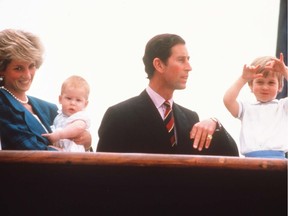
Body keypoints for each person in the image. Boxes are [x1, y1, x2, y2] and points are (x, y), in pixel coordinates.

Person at [97, 33, 239, 156]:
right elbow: (103, 175)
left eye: (188, 60)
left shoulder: (191, 118)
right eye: (181, 60)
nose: (189, 67)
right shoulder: (119, 115)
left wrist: (215, 123)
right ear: (159, 65)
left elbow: (231, 156)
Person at [0, 29, 91, 150]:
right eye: (18, 68)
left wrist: (86, 142)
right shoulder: (3, 103)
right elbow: (27, 148)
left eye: (31, 66)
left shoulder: (50, 108)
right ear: (2, 70)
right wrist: (58, 152)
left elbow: (73, 145)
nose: (27, 75)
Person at [223, 53, 288, 159]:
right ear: (251, 85)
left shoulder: (283, 106)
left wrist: (284, 70)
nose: (265, 87)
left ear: (280, 86)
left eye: (271, 83)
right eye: (260, 82)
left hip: (278, 161)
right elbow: (228, 100)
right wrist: (243, 78)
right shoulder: (246, 108)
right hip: (250, 162)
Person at [42, 75, 92, 152]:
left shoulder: (80, 117)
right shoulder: (60, 115)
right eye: (68, 98)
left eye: (78, 100)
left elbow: (78, 128)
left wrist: (59, 135)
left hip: (75, 152)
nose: (72, 103)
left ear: (85, 104)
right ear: (60, 99)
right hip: (62, 149)